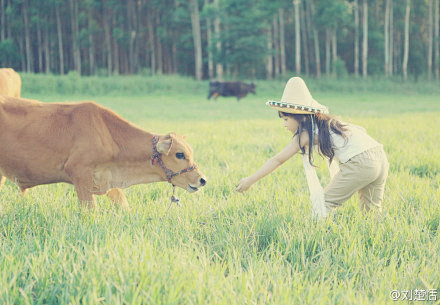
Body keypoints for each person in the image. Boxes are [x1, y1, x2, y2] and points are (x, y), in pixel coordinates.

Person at [235, 77, 389, 218]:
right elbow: (361, 131)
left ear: (301, 116)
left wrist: (250, 180)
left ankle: (316, 239)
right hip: (380, 157)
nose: (284, 124)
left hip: (360, 163)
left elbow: (277, 160)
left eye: (286, 119)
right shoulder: (329, 123)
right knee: (372, 212)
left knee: (322, 206)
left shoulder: (305, 134)